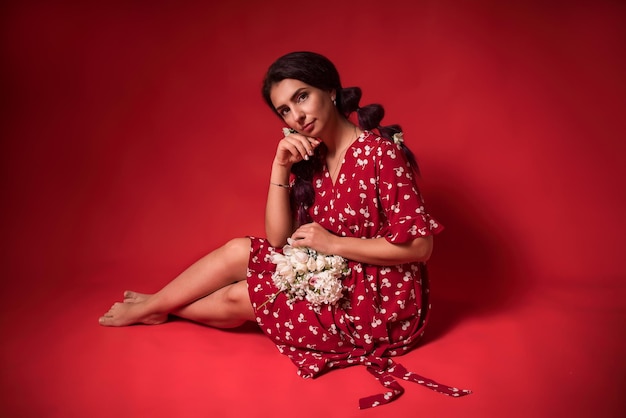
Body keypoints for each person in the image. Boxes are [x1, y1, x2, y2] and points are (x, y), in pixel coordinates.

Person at [99, 51, 470, 408]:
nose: (297, 115)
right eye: (285, 110)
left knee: (239, 297)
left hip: (380, 305)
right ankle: (156, 305)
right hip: (332, 274)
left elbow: (421, 248)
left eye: (302, 97)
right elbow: (278, 239)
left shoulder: (381, 153)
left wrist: (334, 244)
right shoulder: (312, 159)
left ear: (331, 90)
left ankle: (155, 307)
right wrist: (279, 166)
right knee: (235, 249)